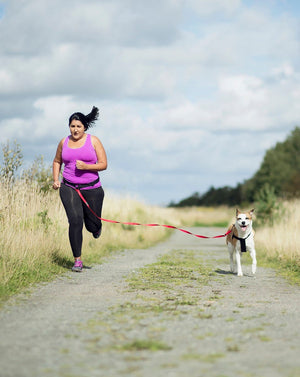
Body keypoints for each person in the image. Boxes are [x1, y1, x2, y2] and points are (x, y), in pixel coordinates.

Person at [52, 106, 107, 272]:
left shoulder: (94, 141)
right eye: (72, 126)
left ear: (85, 127)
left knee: (91, 225)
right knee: (75, 220)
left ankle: (96, 227)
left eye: (78, 126)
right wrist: (56, 180)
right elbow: (57, 161)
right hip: (69, 186)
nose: (75, 130)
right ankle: (77, 260)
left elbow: (104, 164)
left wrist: (87, 166)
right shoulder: (64, 142)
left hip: (92, 188)